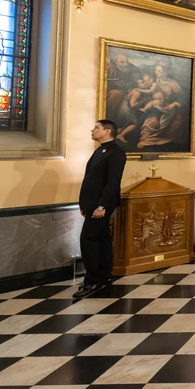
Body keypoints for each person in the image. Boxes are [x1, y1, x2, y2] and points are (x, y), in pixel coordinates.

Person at [76, 120, 127, 299]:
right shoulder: (100, 149)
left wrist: (101, 206)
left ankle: (92, 281)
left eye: (96, 127)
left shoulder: (115, 152)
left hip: (101, 205)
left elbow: (113, 182)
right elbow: (91, 179)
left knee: (88, 239)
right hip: (93, 204)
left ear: (107, 131)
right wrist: (85, 205)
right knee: (103, 239)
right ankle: (104, 276)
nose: (92, 130)